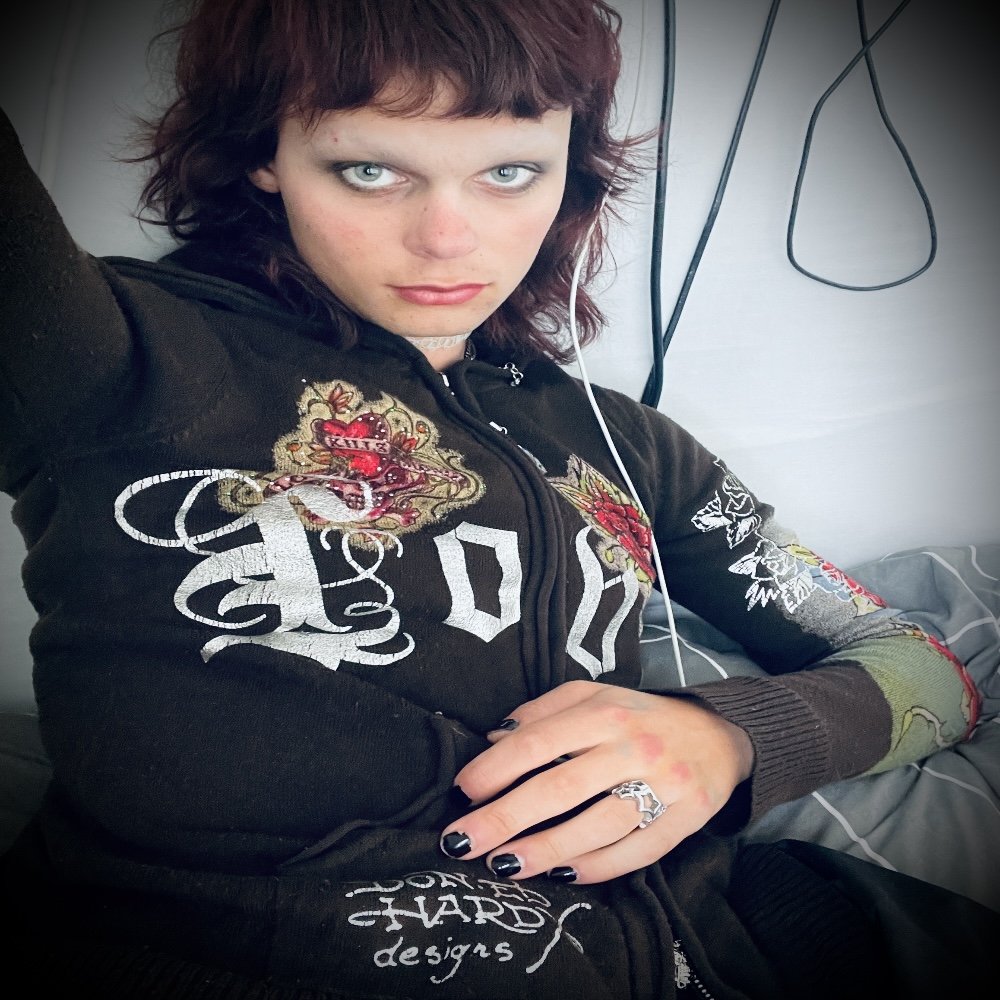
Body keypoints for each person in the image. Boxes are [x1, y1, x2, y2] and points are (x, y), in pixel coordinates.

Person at [0, 1, 994, 997]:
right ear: (264, 154)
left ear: (569, 169)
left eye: (510, 172)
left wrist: (729, 737)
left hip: (726, 944)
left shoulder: (623, 443)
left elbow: (928, 671)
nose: (447, 238)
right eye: (369, 170)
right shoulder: (109, 358)